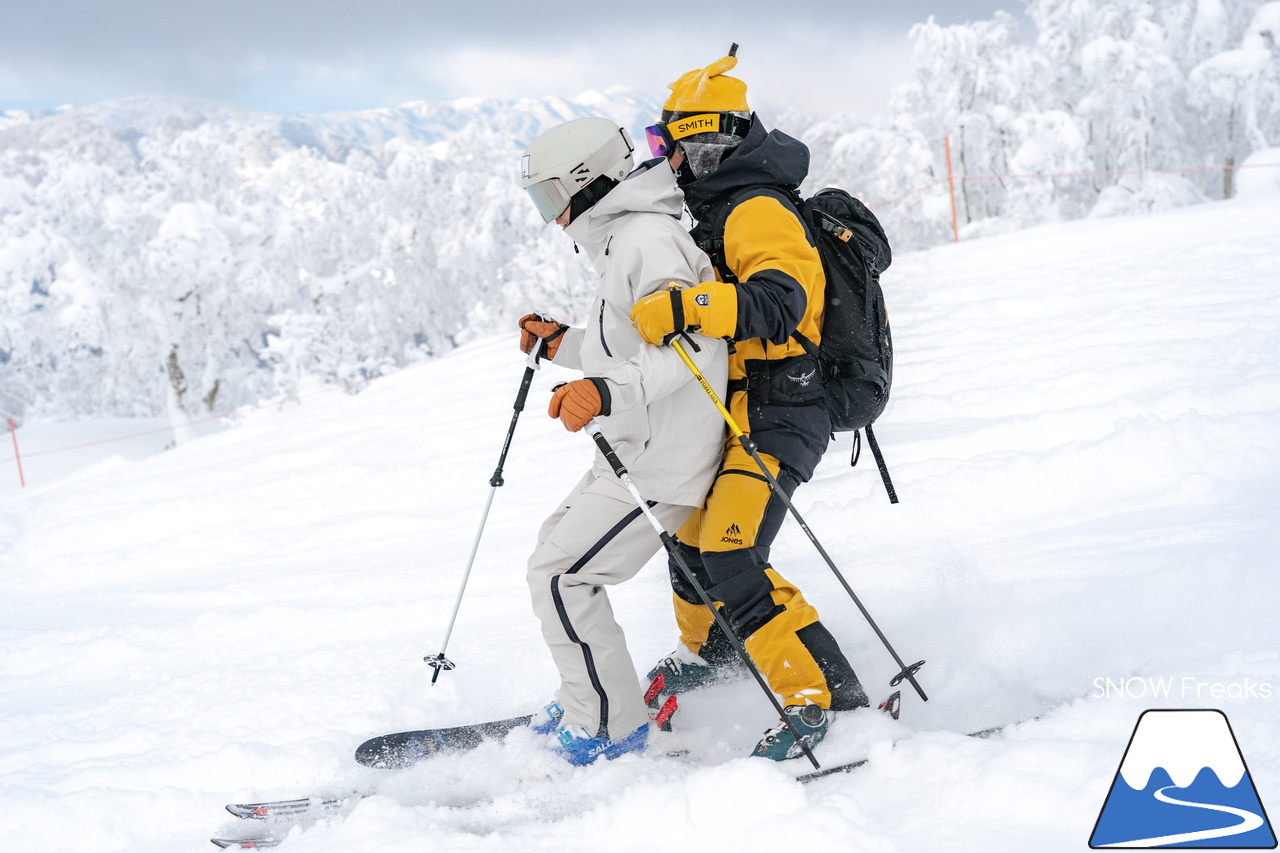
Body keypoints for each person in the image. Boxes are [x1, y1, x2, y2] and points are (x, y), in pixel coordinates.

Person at [629, 51, 871, 760]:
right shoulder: (721, 207)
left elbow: (779, 301)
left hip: (783, 412)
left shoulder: (757, 208)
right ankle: (715, 652)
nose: (663, 160)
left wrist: (686, 304)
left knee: (732, 551)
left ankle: (821, 694)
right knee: (689, 540)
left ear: (706, 145)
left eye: (666, 145)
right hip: (741, 411)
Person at [515, 117, 729, 765]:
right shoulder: (622, 240)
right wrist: (564, 346)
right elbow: (627, 347)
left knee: (560, 576)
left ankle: (607, 724)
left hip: (666, 458)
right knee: (551, 553)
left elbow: (693, 345)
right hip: (637, 445)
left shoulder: (647, 240)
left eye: (551, 199)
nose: (551, 218)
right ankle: (592, 691)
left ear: (584, 180)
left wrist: (605, 394)